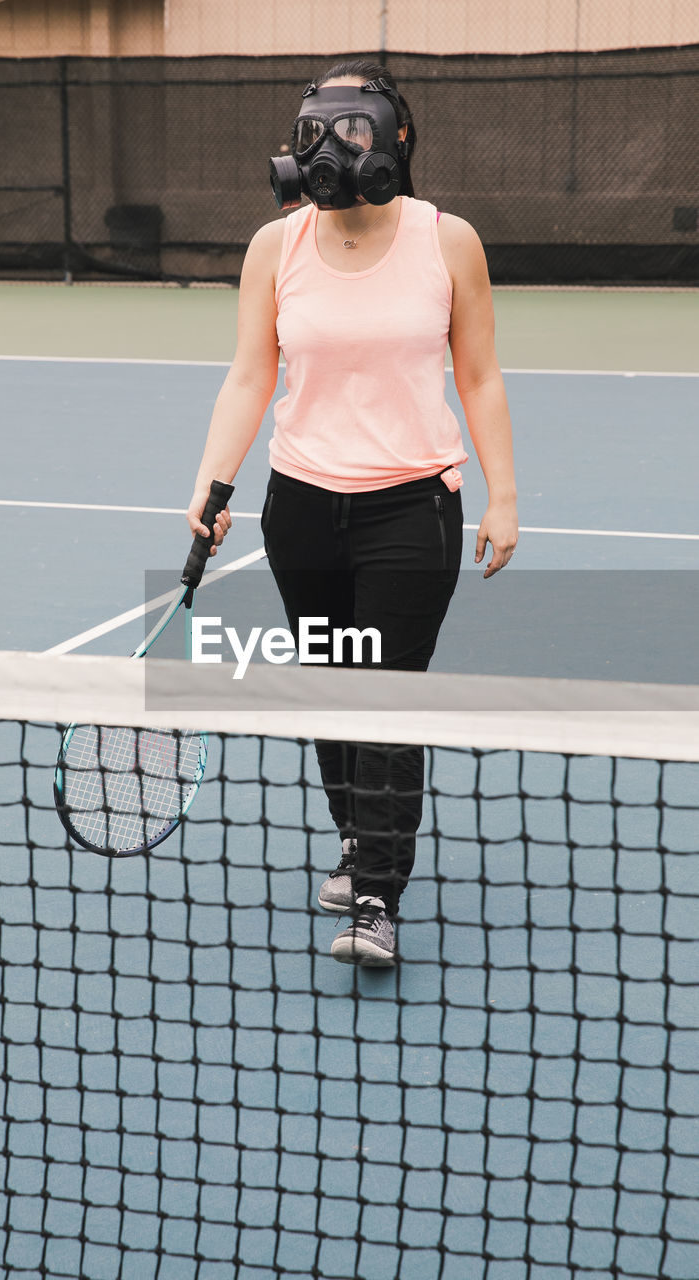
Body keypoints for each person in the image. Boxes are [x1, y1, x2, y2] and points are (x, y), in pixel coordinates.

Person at [186, 59, 518, 967]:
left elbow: (478, 375)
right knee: (332, 690)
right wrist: (213, 484)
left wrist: (505, 494)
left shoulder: (449, 242)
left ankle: (376, 893)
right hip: (299, 506)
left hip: (412, 507)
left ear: (392, 140)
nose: (331, 147)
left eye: (353, 128)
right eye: (315, 131)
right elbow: (251, 374)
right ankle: (354, 837)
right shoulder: (274, 246)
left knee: (382, 699)